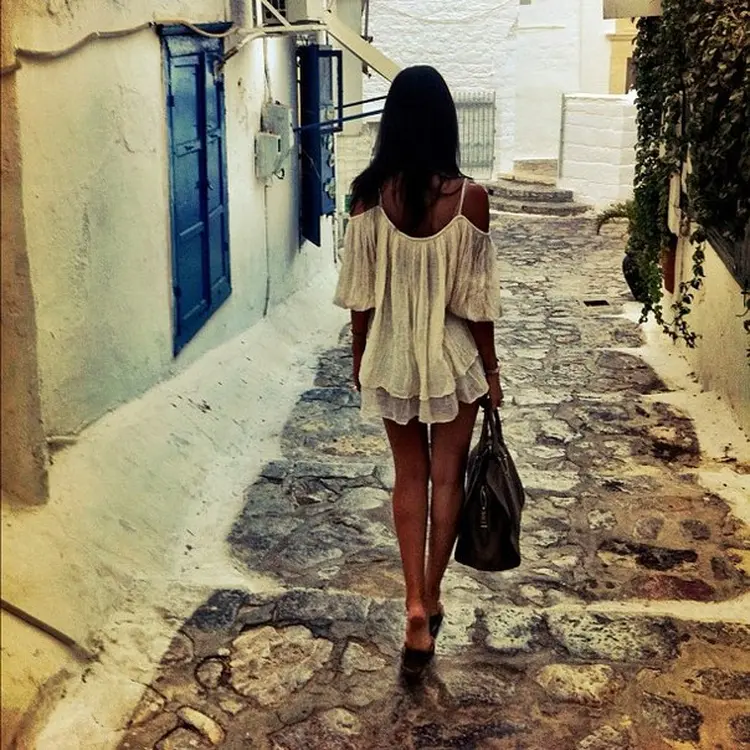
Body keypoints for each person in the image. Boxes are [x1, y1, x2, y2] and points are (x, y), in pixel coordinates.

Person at [333, 65, 502, 680]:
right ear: (446, 122)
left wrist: (360, 355)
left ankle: (409, 603)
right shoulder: (470, 199)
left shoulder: (366, 198)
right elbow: (476, 305)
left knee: (409, 476)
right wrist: (492, 371)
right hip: (452, 359)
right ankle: (431, 598)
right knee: (447, 477)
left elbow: (360, 297)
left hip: (394, 356)